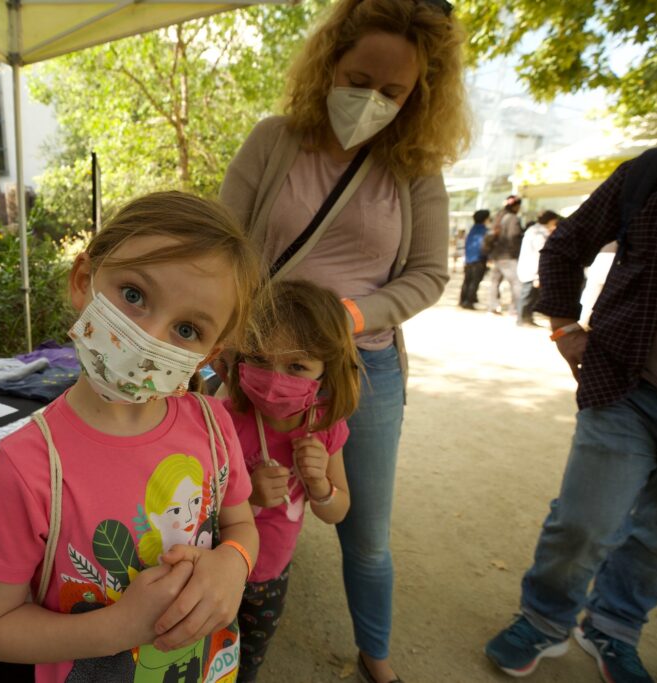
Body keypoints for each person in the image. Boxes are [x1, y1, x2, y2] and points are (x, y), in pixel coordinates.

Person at [218, 1, 470, 680]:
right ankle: (224, 622)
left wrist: (353, 318)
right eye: (359, 80)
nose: (371, 101)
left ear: (419, 94)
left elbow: (429, 275)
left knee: (364, 532)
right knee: (237, 492)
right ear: (329, 64)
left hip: (365, 366)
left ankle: (376, 653)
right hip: (262, 360)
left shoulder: (415, 168)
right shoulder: (274, 140)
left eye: (392, 92)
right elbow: (226, 243)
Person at [0, 191, 263, 683]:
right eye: (134, 295)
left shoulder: (213, 424)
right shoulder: (32, 465)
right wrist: (121, 626)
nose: (150, 338)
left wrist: (234, 563)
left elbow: (242, 526)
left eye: (186, 328)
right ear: (84, 281)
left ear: (206, 357)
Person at [484, 150, 657, 683]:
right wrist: (565, 327)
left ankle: (614, 625)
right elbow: (566, 247)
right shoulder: (648, 175)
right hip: (624, 386)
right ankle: (544, 617)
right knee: (585, 521)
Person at [223, 279, 360, 682]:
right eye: (261, 360)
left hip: (270, 576)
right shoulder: (222, 419)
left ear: (326, 370)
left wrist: (321, 487)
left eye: (297, 366)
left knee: (248, 661)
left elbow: (338, 511)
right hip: (219, 566)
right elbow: (194, 516)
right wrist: (249, 499)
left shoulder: (326, 428)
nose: (274, 377)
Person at [515, 210, 561, 326]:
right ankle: (523, 319)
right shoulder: (539, 233)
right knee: (528, 295)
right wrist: (538, 274)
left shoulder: (533, 230)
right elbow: (539, 254)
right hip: (532, 268)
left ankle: (526, 318)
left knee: (530, 295)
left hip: (529, 267)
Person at [485, 195, 524, 315]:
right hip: (507, 256)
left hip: (497, 255)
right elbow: (513, 237)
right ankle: (515, 309)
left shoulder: (498, 217)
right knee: (516, 282)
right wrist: (515, 254)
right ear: (516, 206)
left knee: (495, 282)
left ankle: (493, 306)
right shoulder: (513, 219)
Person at [459, 209, 491, 309]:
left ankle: (463, 300)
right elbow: (484, 246)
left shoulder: (472, 230)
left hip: (468, 259)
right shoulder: (485, 231)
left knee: (467, 281)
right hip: (479, 260)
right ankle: (469, 301)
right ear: (485, 219)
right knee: (474, 281)